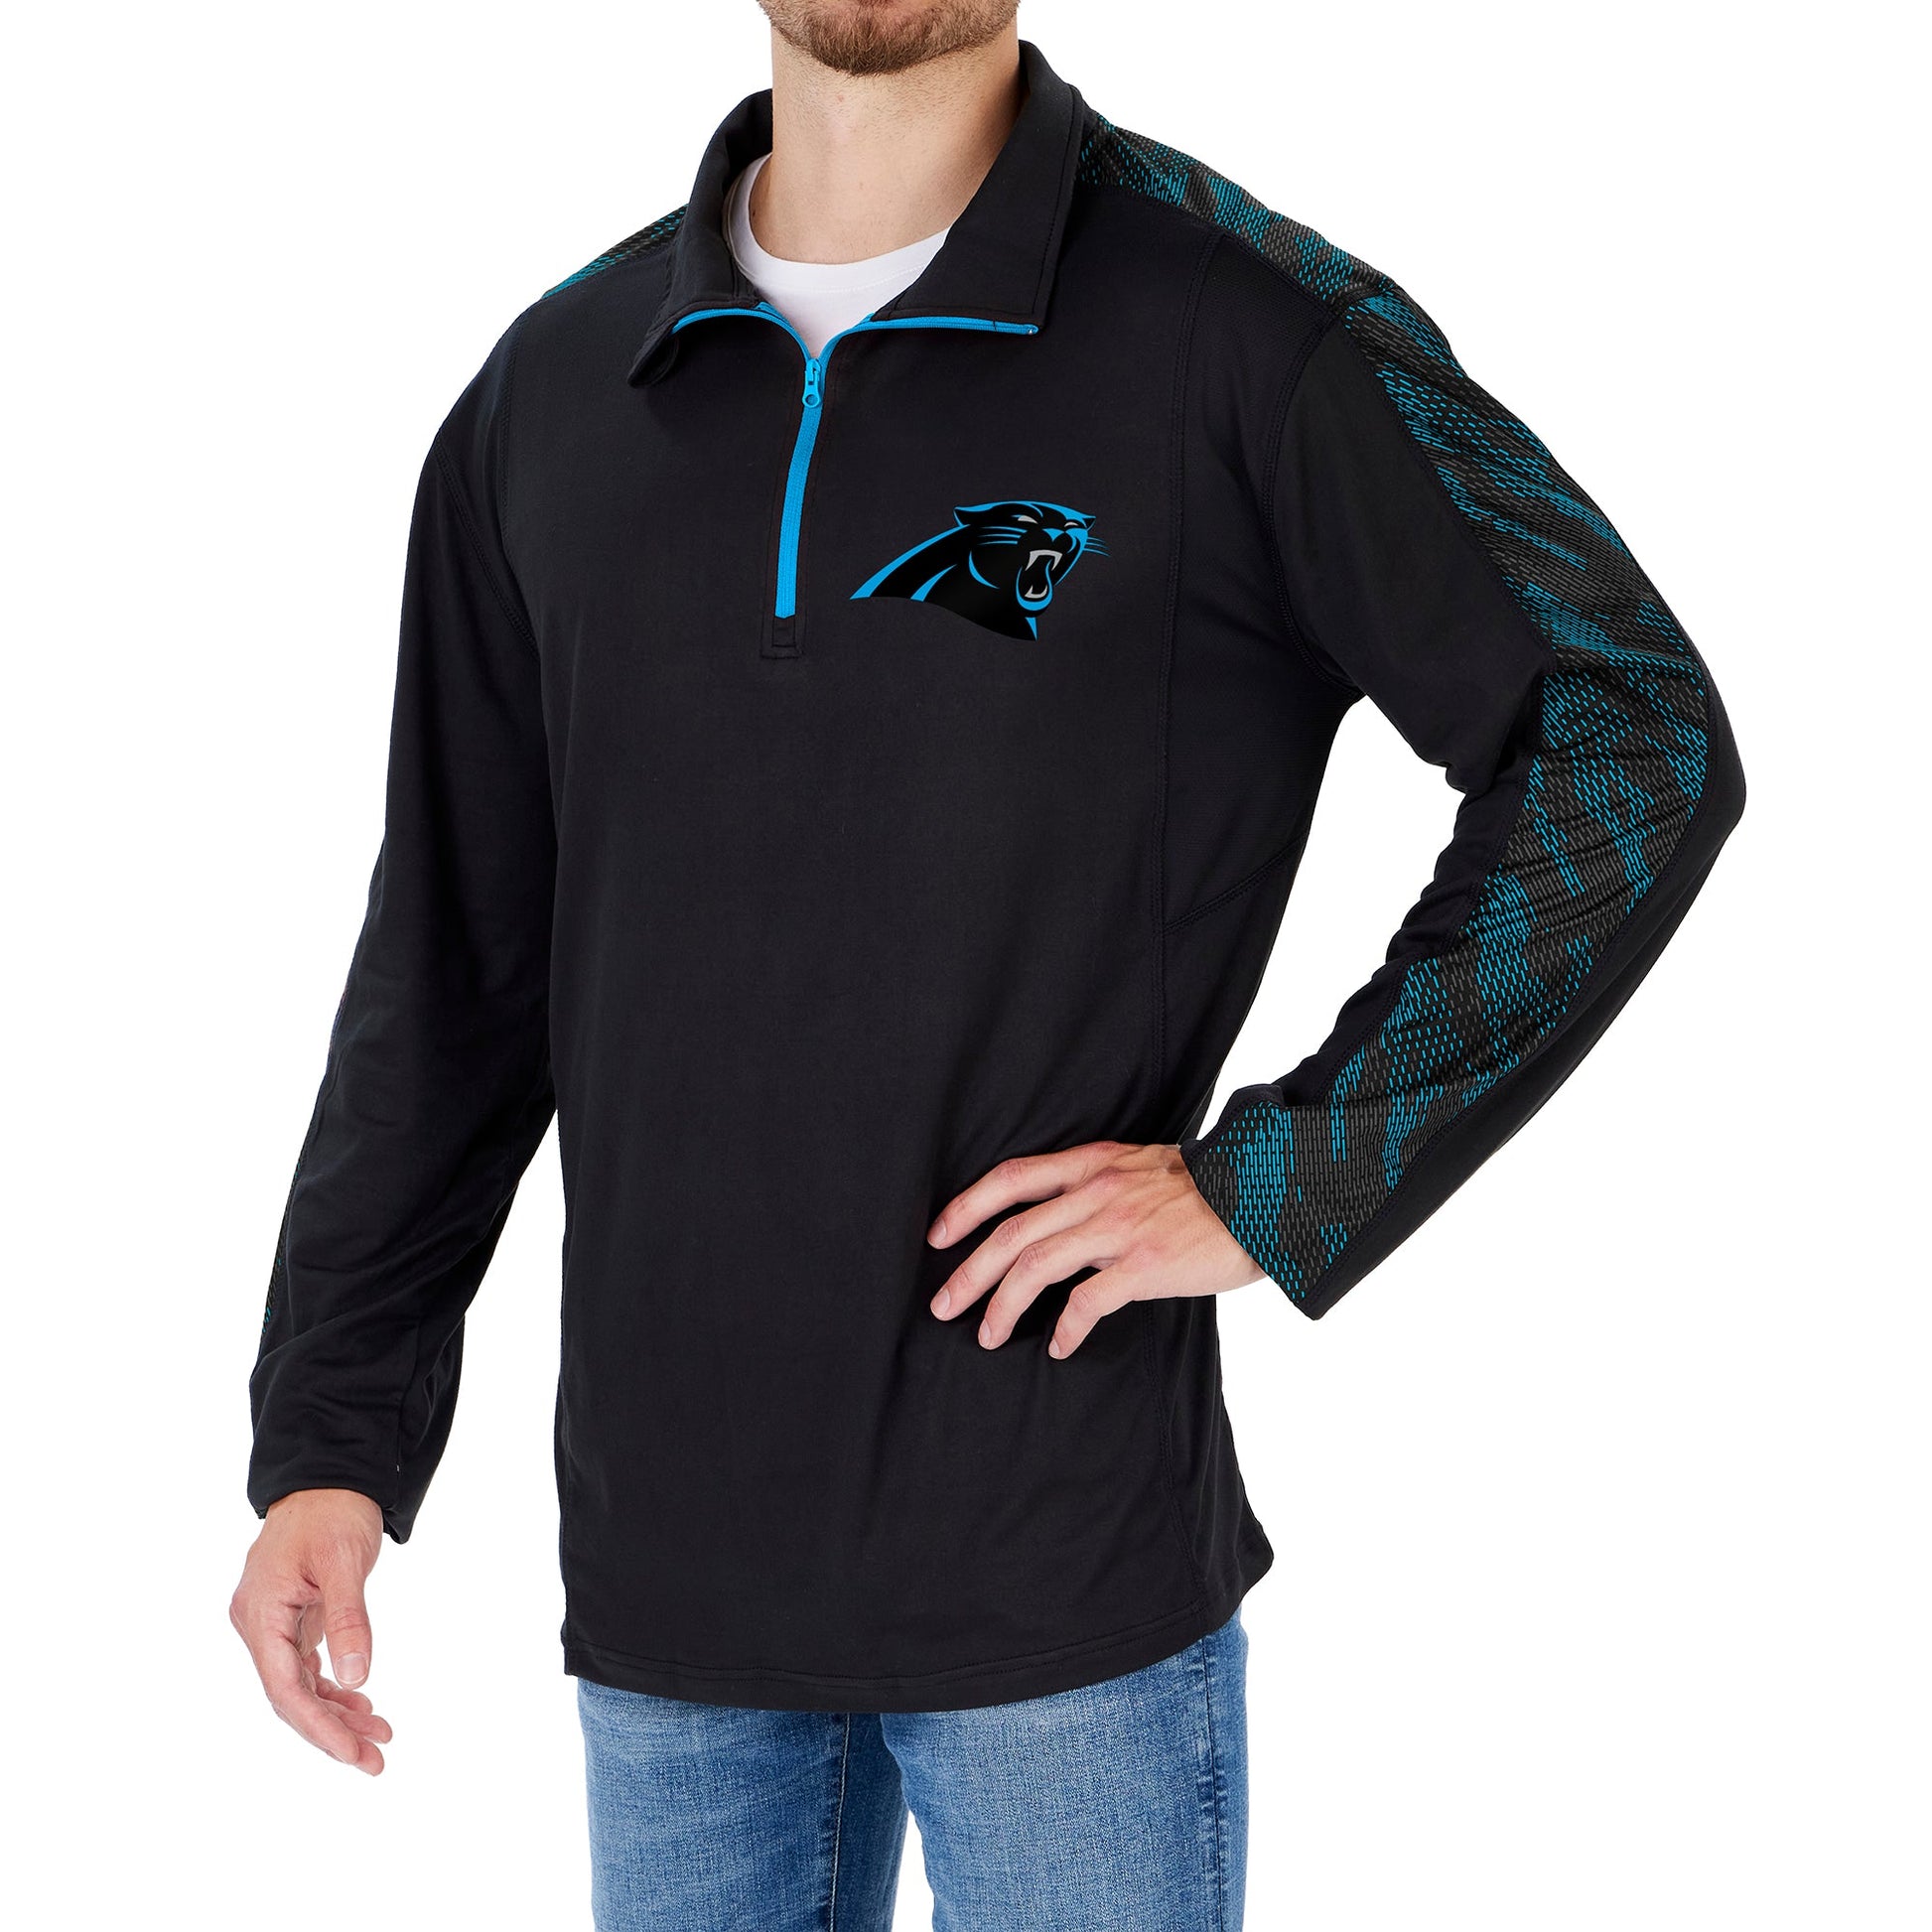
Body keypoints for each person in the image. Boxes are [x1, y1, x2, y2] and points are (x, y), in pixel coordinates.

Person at [229, 3, 1744, 1925]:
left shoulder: (1243, 326)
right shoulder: (555, 387)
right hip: (669, 1571)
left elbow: (1624, 731)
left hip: (1058, 1564)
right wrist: (332, 1438)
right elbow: (455, 959)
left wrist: (1285, 1177)